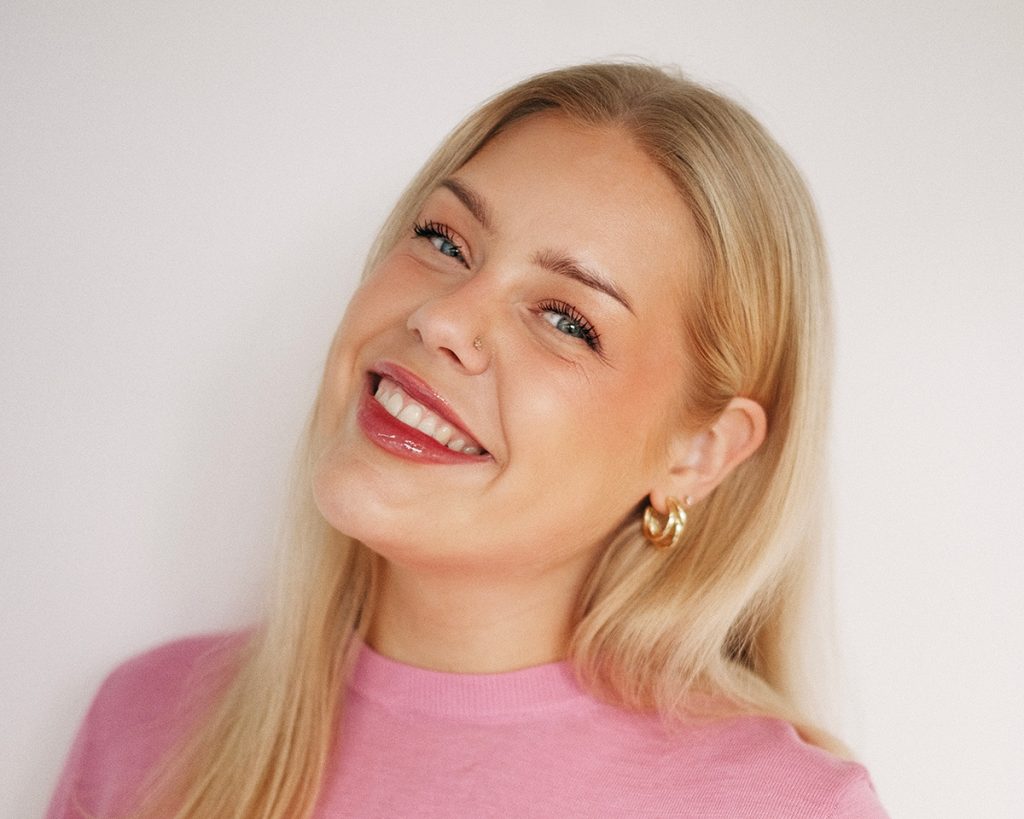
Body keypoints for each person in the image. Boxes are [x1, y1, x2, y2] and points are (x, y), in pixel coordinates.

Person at [47, 62, 888, 818]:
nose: (441, 316)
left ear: (698, 453)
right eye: (444, 240)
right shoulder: (143, 727)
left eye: (566, 318)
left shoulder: (785, 808)